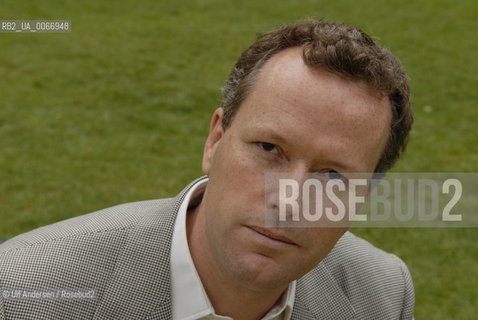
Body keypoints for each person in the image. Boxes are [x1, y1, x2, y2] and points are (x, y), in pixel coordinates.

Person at [0, 19, 414, 319]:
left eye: (332, 177)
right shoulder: (21, 293)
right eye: (269, 148)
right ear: (215, 141)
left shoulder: (381, 295)